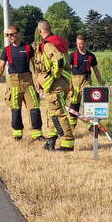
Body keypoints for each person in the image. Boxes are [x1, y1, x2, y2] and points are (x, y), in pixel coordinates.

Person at [0, 25, 42, 141]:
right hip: (14, 82)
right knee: (15, 109)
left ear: (19, 34)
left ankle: (37, 135)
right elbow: (1, 66)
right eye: (7, 35)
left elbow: (35, 65)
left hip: (28, 81)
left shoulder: (28, 48)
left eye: (12, 34)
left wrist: (38, 80)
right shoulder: (7, 50)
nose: (9, 36)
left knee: (34, 107)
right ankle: (17, 135)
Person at [32, 20, 74, 152]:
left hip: (55, 86)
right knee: (51, 113)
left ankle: (67, 143)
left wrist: (53, 77)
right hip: (59, 85)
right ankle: (50, 141)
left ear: (40, 31)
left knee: (58, 113)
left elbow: (58, 60)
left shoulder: (48, 45)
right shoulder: (57, 41)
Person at [68, 34, 104, 127]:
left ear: (86, 43)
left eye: (81, 44)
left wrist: (100, 82)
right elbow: (66, 70)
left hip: (86, 82)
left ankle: (92, 126)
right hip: (75, 83)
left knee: (89, 104)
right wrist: (68, 84)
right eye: (78, 44)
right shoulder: (72, 55)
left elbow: (96, 70)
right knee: (74, 103)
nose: (80, 46)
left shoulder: (91, 56)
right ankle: (72, 125)